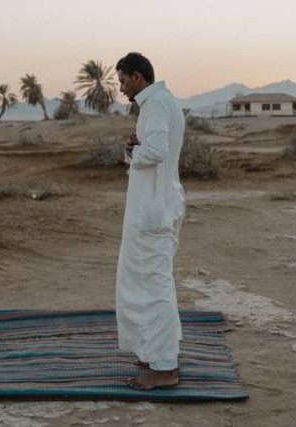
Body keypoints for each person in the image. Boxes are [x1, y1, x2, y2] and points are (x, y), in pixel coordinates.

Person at [114, 52, 186, 390]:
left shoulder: (156, 105)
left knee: (154, 285)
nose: (122, 88)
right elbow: (153, 149)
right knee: (147, 282)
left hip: (152, 211)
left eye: (123, 81)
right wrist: (136, 148)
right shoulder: (161, 102)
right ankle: (153, 353)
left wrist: (136, 150)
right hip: (155, 205)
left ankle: (164, 367)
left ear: (138, 76)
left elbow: (155, 151)